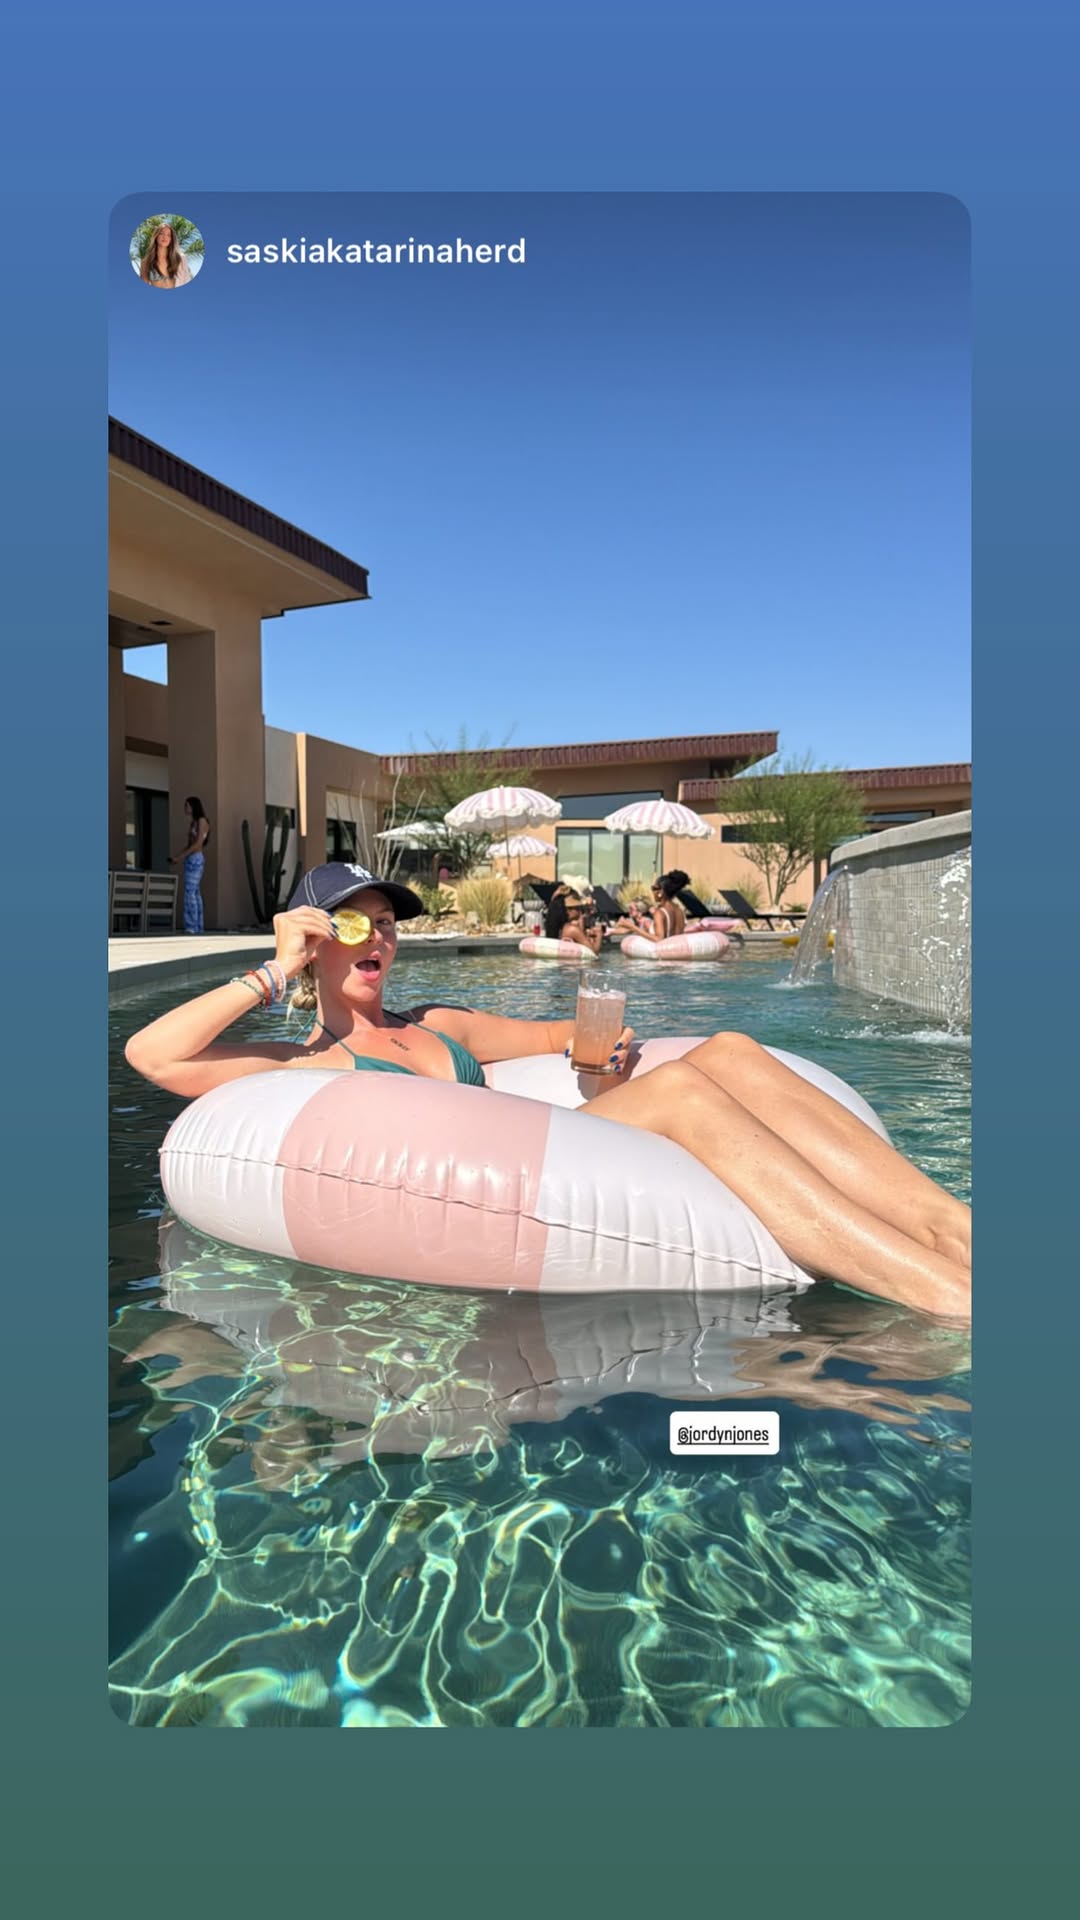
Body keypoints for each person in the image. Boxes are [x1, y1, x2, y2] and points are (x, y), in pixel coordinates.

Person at [125, 861, 971, 1320]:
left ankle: (954, 1229)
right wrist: (275, 969)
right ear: (316, 939)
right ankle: (945, 1296)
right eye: (354, 922)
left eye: (386, 922)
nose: (378, 935)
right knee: (683, 1091)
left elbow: (566, 1038)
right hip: (511, 1188)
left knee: (732, 1047)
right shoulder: (305, 1066)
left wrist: (605, 1048)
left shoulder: (440, 1024)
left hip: (562, 1146)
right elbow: (152, 1056)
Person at [613, 869, 689, 945]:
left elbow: (659, 939)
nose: (652, 892)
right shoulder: (679, 910)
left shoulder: (660, 913)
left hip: (664, 951)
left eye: (653, 888)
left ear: (661, 892)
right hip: (678, 950)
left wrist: (632, 927)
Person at [170, 796, 210, 933]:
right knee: (194, 891)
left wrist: (181, 856)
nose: (185, 808)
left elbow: (198, 844)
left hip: (196, 859)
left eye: (187, 805)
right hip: (190, 859)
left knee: (190, 892)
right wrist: (178, 857)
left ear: (193, 806)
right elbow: (189, 845)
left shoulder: (202, 821)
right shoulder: (193, 823)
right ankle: (197, 926)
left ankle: (192, 926)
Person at [544, 884, 604, 955]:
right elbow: (593, 953)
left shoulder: (560, 929)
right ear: (569, 910)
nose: (580, 911)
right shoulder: (572, 930)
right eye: (578, 908)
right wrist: (600, 934)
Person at [139, 222, 193, 288]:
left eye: (168, 235)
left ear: (171, 239)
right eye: (161, 233)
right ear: (156, 236)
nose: (165, 237)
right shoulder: (146, 262)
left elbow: (186, 280)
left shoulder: (180, 259)